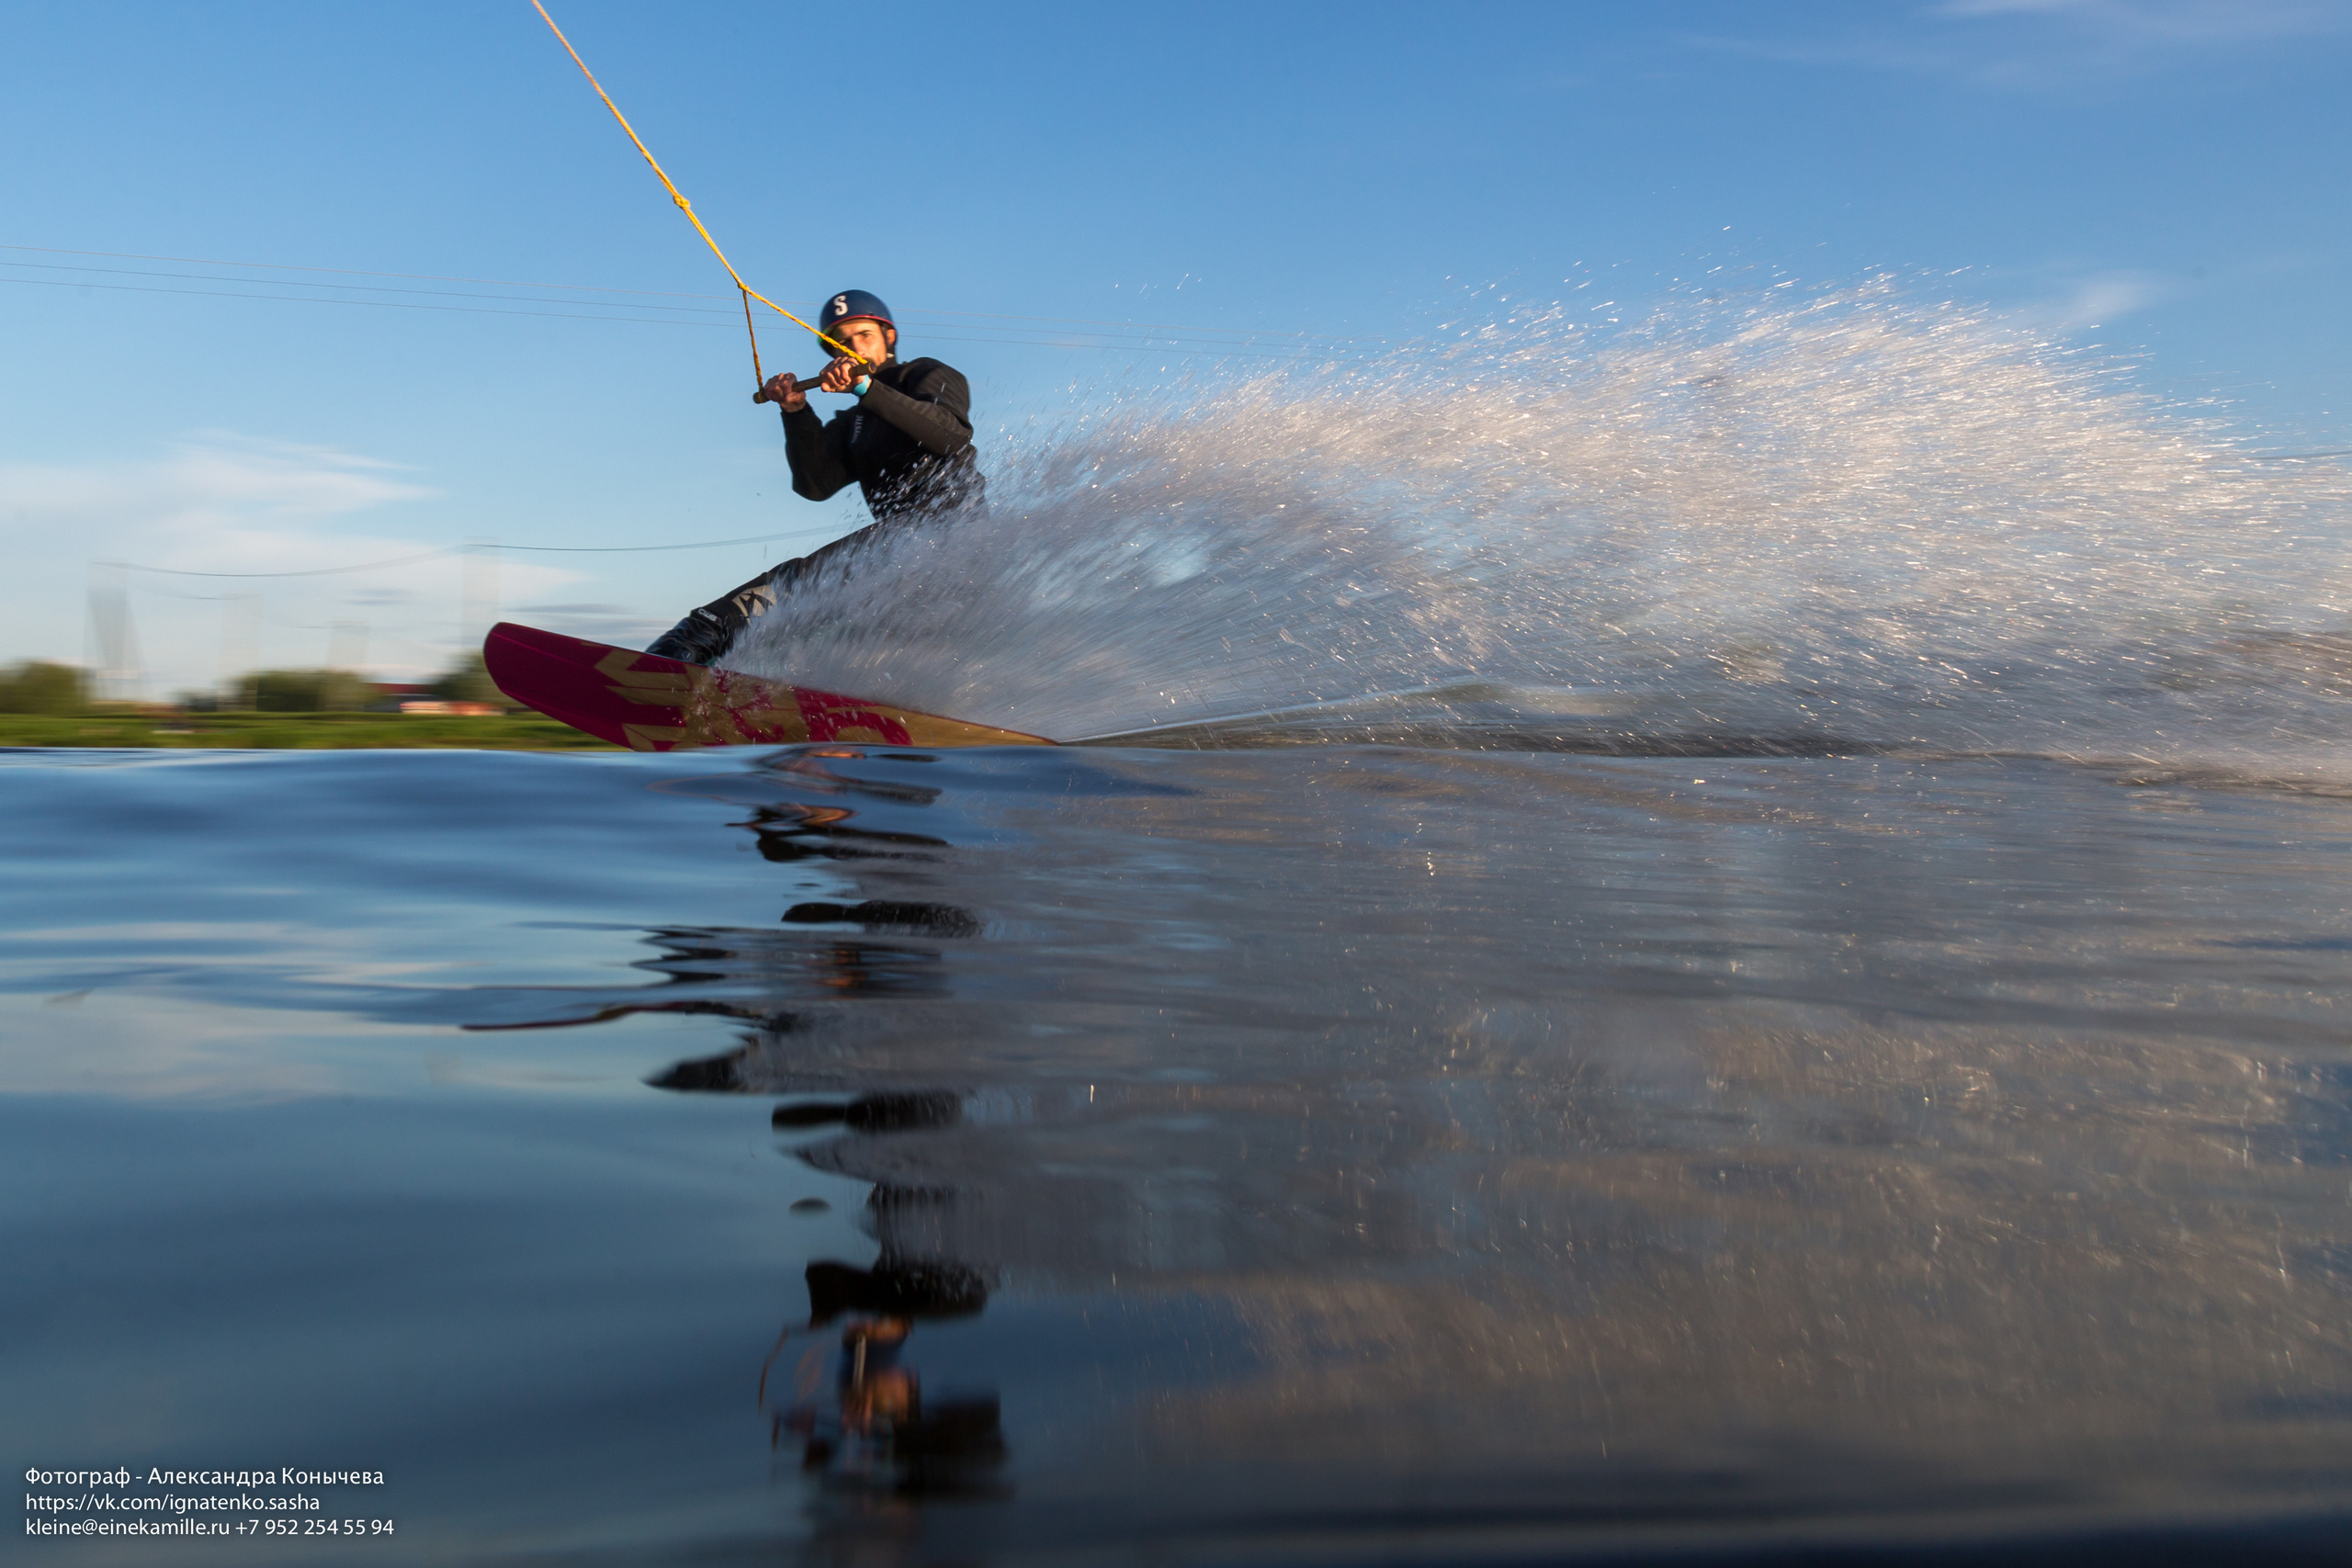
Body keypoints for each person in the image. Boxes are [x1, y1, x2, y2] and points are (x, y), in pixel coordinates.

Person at [645, 289, 986, 664]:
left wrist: (866, 388)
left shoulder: (926, 374)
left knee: (805, 582)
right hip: (902, 557)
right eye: (843, 343)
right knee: (840, 636)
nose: (854, 348)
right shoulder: (854, 423)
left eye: (864, 336)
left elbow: (951, 435)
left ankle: (695, 639)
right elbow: (816, 485)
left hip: (952, 533)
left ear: (888, 337)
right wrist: (796, 412)